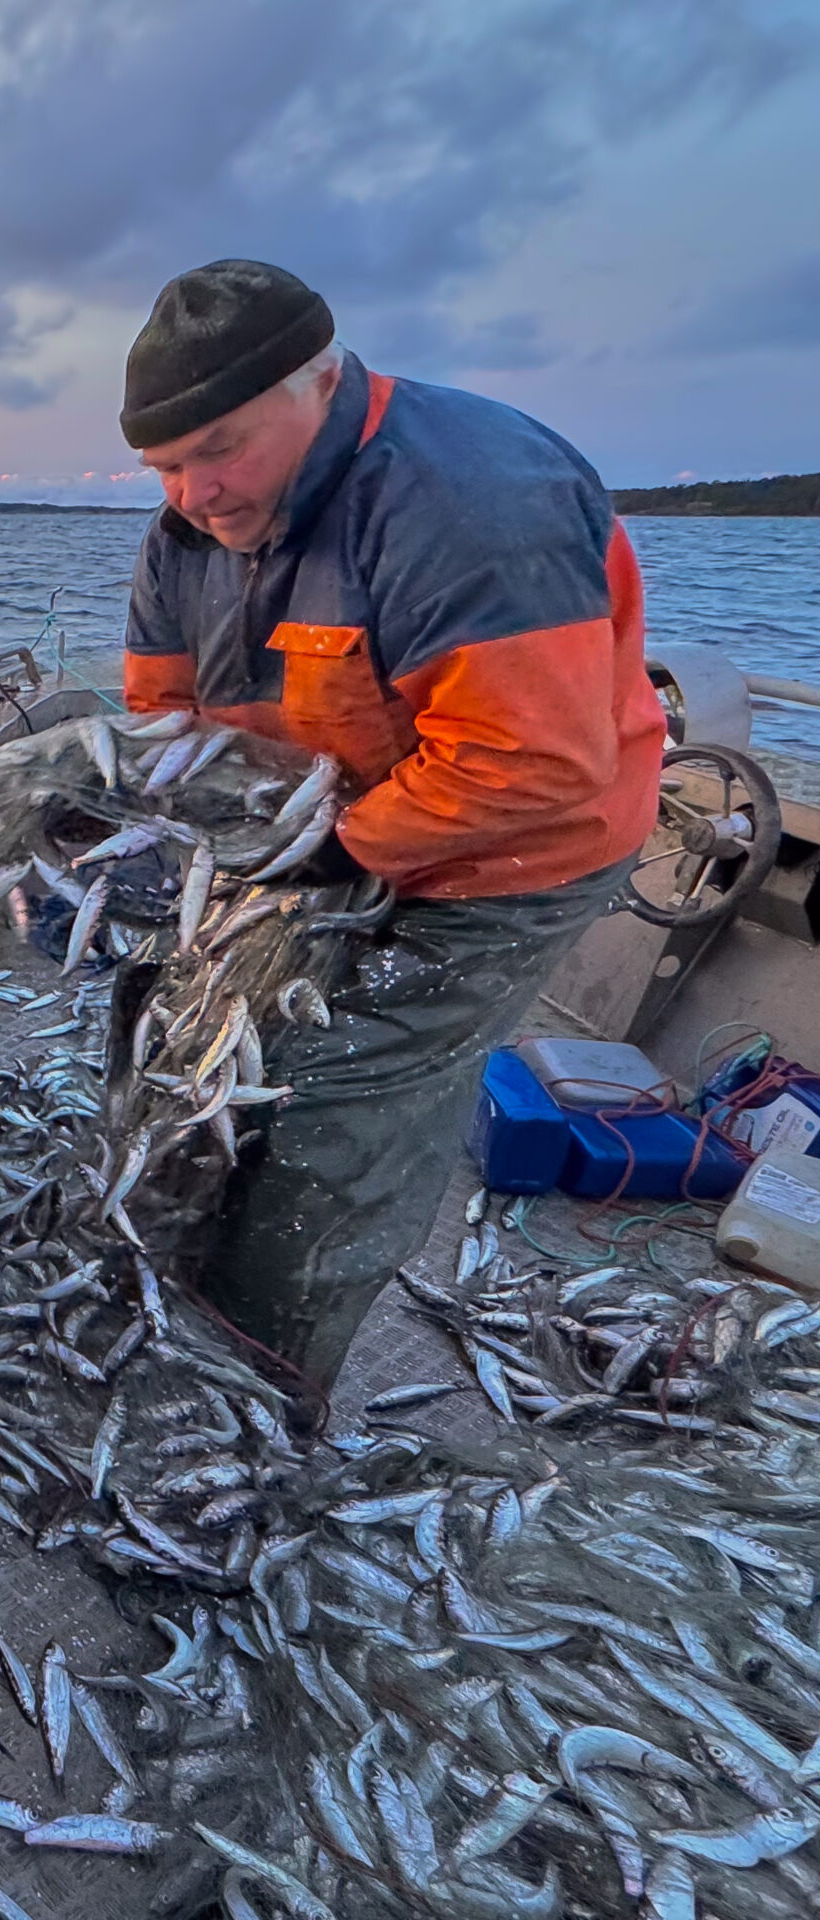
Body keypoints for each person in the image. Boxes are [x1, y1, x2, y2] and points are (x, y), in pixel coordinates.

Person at [118, 258, 663, 1390]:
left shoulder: (468, 500)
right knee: (164, 1022)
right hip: (317, 831)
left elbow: (540, 763)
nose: (193, 492)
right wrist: (147, 839)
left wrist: (339, 850)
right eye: (164, 465)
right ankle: (156, 1267)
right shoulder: (184, 537)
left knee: (339, 1098)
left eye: (219, 446)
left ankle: (258, 1391)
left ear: (320, 381)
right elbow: (159, 719)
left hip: (513, 856)